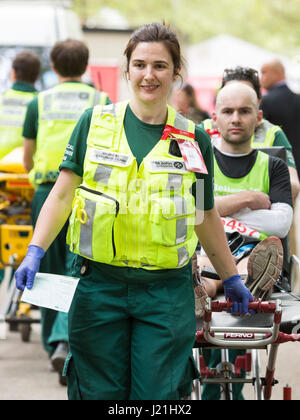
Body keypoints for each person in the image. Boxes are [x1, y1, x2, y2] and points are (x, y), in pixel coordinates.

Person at [15, 23, 254, 401]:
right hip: (98, 288)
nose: (148, 75)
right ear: (127, 69)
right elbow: (61, 197)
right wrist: (35, 250)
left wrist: (231, 276)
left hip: (165, 293)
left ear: (176, 72)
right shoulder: (92, 124)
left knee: (158, 396)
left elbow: (204, 215)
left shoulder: (195, 139)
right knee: (97, 393)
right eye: (139, 64)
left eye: (160, 66)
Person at [21, 39, 111, 386]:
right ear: (86, 65)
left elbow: (28, 155)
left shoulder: (38, 102)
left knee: (45, 269)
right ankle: (74, 340)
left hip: (48, 191)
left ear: (54, 68)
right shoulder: (102, 101)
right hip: (91, 195)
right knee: (82, 269)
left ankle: (53, 344)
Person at [196, 82, 293, 400]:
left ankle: (241, 282)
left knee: (251, 259)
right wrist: (247, 199)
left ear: (258, 118)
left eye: (244, 111)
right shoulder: (200, 164)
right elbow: (194, 217)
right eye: (228, 111)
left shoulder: (274, 166)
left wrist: (216, 211)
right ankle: (206, 287)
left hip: (254, 251)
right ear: (215, 118)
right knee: (208, 257)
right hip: (209, 249)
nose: (235, 118)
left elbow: (280, 223)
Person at [201, 66, 300, 201]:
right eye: (228, 110)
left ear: (258, 100)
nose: (235, 118)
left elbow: (292, 185)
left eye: (246, 93)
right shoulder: (203, 130)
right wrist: (242, 200)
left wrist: (258, 202)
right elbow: (193, 201)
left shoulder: (273, 133)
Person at [260, 59, 300, 178]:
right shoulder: (297, 99)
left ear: (277, 73)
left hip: (275, 166)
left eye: (264, 73)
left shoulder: (266, 101)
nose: (261, 78)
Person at [0, 51, 40, 160]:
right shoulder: (41, 102)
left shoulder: (2, 99)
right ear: (36, 75)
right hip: (27, 166)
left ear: (13, 73)